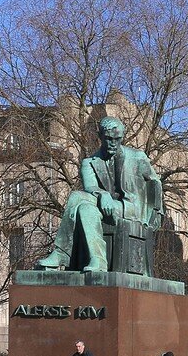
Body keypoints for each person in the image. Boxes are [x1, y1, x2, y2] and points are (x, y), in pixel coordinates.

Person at [37, 116, 164, 273]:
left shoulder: (137, 157)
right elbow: (90, 186)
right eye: (108, 139)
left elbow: (155, 183)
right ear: (100, 137)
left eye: (117, 139)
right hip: (102, 207)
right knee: (84, 208)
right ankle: (98, 260)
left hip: (131, 209)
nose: (112, 143)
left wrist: (157, 213)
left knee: (76, 197)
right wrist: (103, 195)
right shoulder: (89, 162)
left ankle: (61, 253)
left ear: (122, 137)